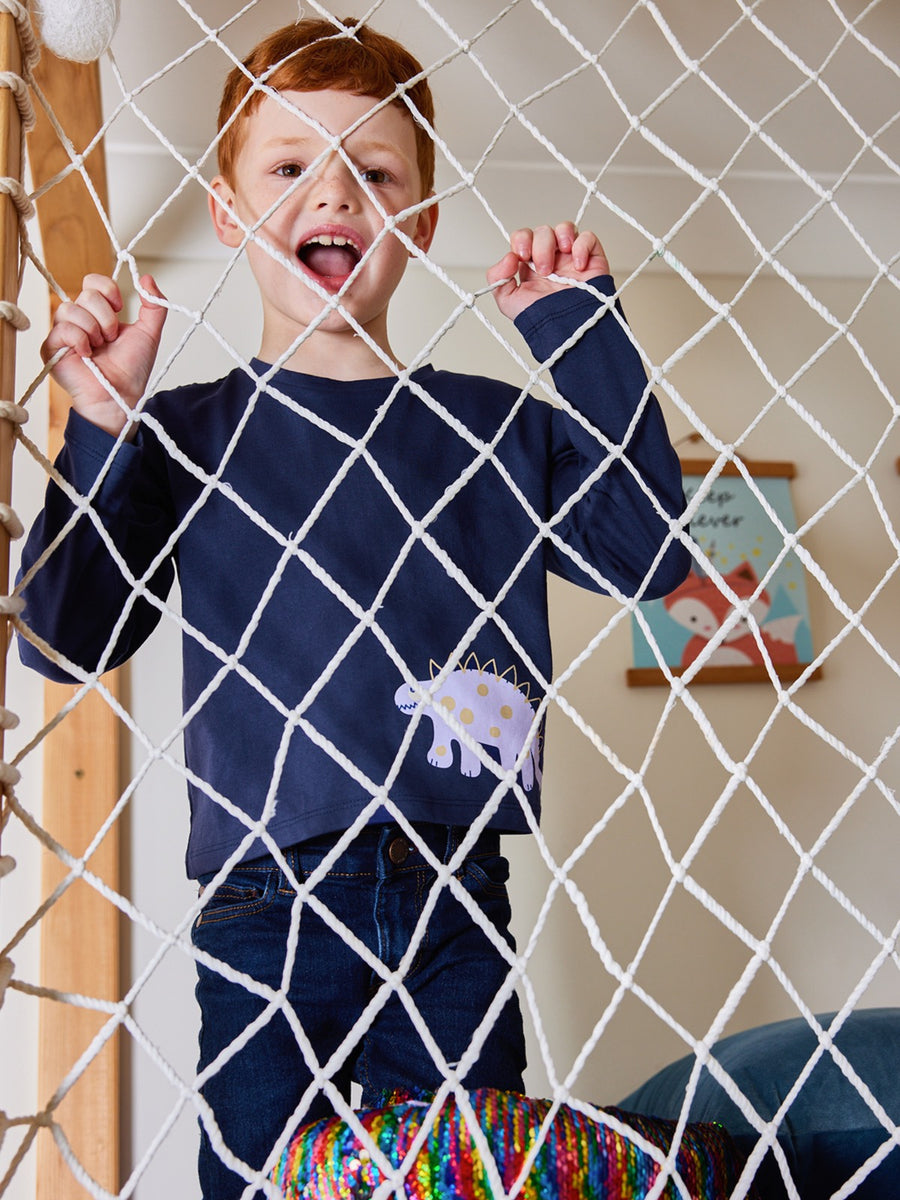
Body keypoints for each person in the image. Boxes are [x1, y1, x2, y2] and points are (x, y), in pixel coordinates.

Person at [17, 17, 690, 1199]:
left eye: (374, 172)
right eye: (289, 169)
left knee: (460, 1179)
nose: (334, 189)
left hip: (456, 901)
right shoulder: (190, 433)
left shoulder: (494, 425)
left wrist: (579, 331)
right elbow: (69, 640)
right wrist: (106, 427)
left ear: (420, 225)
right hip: (264, 908)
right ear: (230, 214)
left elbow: (645, 552)